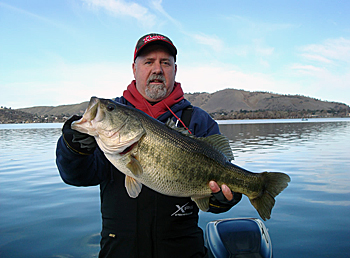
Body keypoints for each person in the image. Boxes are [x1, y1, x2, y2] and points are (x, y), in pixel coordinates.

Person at [56, 33, 242, 258]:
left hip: (183, 251)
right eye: (148, 62)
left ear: (175, 69)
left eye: (165, 62)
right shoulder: (109, 122)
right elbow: (76, 176)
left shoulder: (198, 121)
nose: (157, 69)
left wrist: (224, 199)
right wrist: (73, 147)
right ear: (134, 69)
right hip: (119, 250)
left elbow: (220, 187)